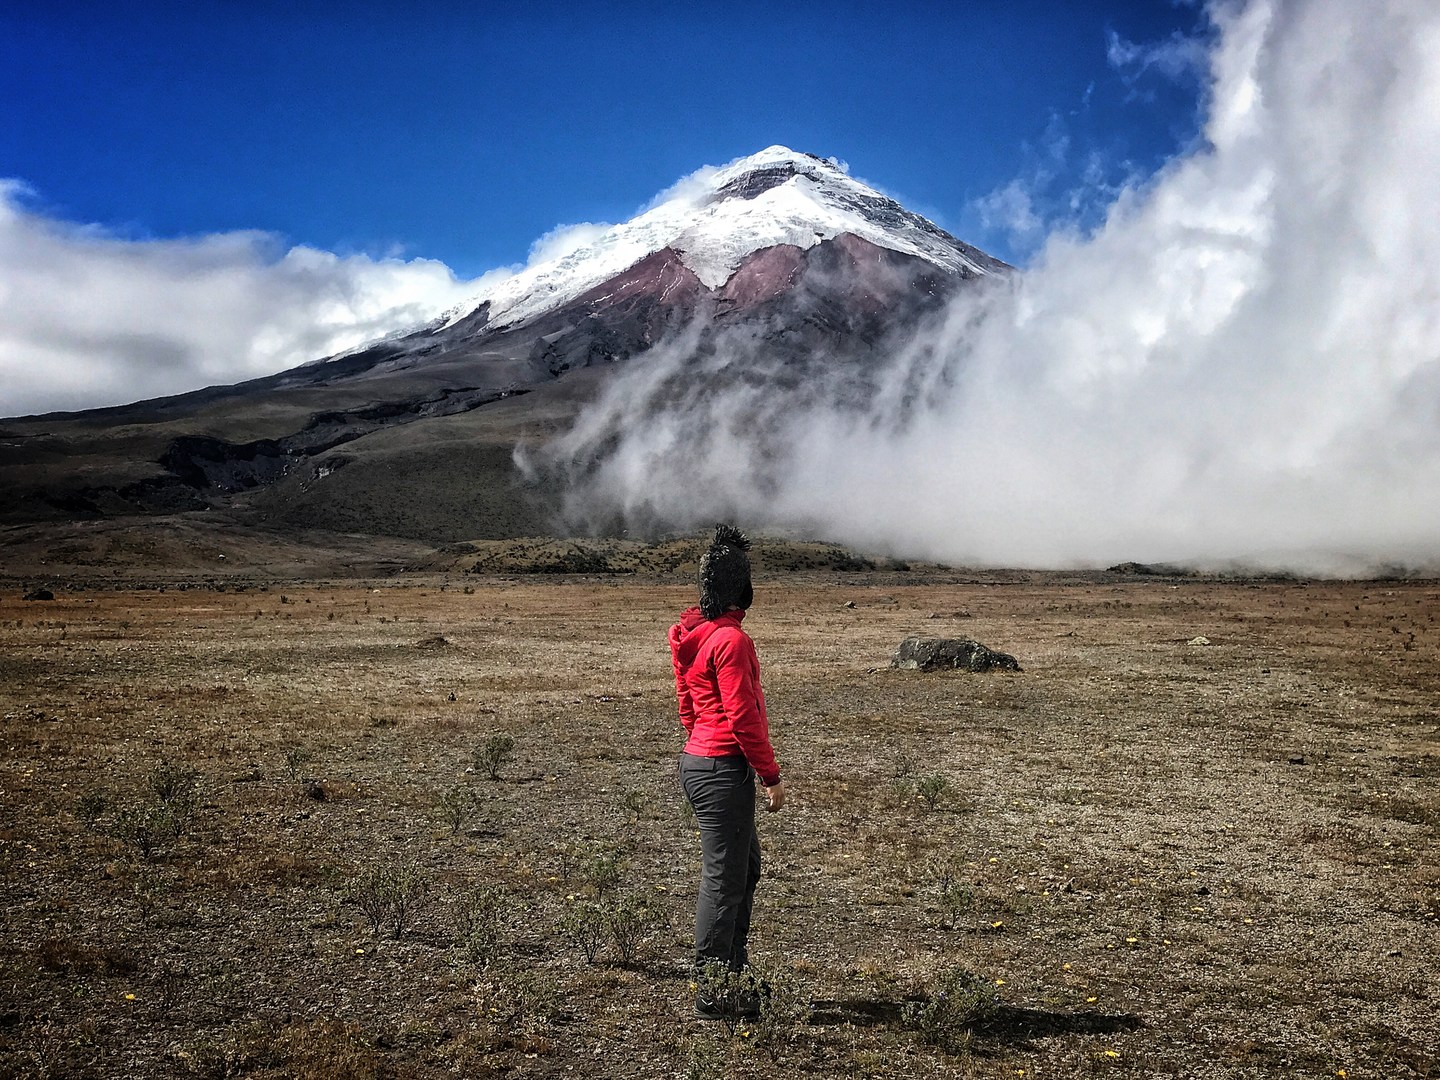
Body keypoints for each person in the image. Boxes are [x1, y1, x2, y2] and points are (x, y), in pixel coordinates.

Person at [669, 525, 786, 1019]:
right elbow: (742, 714)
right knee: (725, 879)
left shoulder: (696, 637)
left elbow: (688, 706)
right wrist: (770, 774)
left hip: (700, 762)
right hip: (723, 768)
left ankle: (729, 975)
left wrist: (703, 742)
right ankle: (713, 989)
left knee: (743, 869)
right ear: (741, 587)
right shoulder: (731, 640)